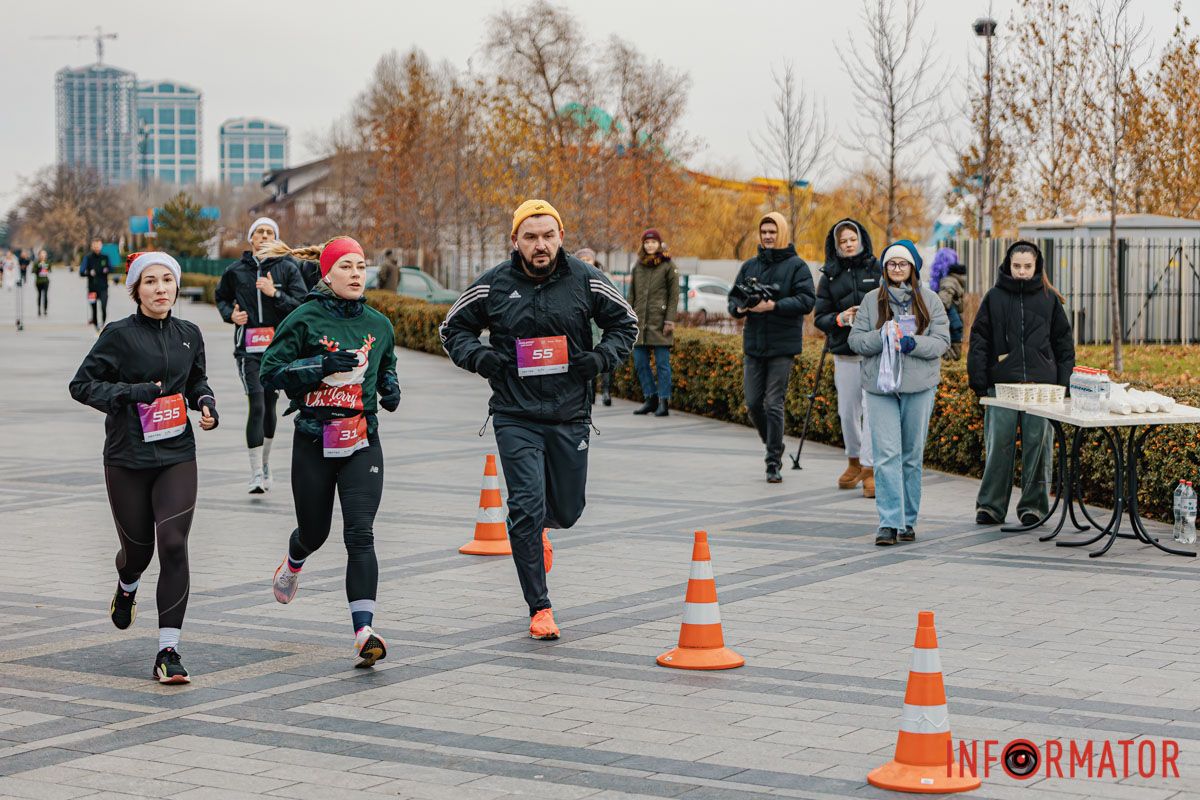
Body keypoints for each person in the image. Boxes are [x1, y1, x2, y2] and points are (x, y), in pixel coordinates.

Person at [440, 200, 637, 640]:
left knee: (567, 511)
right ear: (515, 241)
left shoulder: (586, 280)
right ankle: (540, 607)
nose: (540, 244)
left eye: (548, 235)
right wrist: (482, 358)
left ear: (561, 237)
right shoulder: (494, 284)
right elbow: (451, 329)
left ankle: (541, 530)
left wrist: (600, 358)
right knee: (524, 508)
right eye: (530, 237)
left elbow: (628, 322)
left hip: (570, 414)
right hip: (516, 414)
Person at [69, 252, 219, 684]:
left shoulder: (189, 333)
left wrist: (205, 402)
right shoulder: (117, 335)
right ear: (136, 290)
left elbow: (196, 381)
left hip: (176, 453)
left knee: (173, 544)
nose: (160, 288)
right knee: (139, 552)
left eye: (167, 280)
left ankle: (168, 650)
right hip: (127, 456)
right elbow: (81, 385)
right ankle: (128, 583)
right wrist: (131, 392)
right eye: (150, 281)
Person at [261, 236, 400, 668]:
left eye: (361, 266)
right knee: (315, 532)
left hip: (361, 440)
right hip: (313, 440)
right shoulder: (304, 318)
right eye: (347, 266)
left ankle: (364, 632)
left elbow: (387, 364)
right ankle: (295, 557)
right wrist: (319, 366)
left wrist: (391, 385)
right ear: (327, 273)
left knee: (360, 534)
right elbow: (270, 373)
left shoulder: (380, 324)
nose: (357, 274)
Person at [848, 240, 950, 546]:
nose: (896, 269)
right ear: (884, 268)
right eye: (891, 264)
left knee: (911, 455)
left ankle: (908, 520)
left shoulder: (929, 301)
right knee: (886, 454)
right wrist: (881, 337)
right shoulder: (870, 301)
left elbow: (942, 341)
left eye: (902, 264)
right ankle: (888, 522)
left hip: (918, 386)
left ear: (913, 268)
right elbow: (855, 341)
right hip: (880, 387)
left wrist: (912, 343)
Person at [968, 241, 1074, 526]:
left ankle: (1034, 507)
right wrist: (979, 377)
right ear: (1008, 265)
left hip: (1042, 388)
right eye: (1017, 266)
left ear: (1037, 265)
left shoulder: (1049, 299)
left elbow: (1064, 343)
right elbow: (980, 338)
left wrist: (1064, 384)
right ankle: (990, 506)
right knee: (998, 445)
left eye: (1028, 266)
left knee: (1038, 447)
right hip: (1002, 386)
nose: (1023, 272)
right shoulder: (994, 297)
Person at [215, 217, 308, 493]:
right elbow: (220, 296)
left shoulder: (287, 268)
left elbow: (302, 305)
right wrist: (230, 314)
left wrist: (274, 293)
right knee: (255, 404)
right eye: (259, 232)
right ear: (251, 238)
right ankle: (255, 472)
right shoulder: (235, 270)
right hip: (248, 350)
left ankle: (265, 464)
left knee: (269, 406)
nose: (264, 235)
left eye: (270, 232)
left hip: (277, 351)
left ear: (276, 238)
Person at [727, 212, 816, 483]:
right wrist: (740, 307)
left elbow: (807, 301)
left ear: (783, 233)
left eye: (772, 231)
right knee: (754, 403)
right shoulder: (749, 266)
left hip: (782, 345)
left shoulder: (796, 266)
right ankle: (774, 444)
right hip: (754, 344)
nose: (767, 236)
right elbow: (733, 299)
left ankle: (772, 462)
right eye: (764, 231)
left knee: (773, 403)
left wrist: (774, 305)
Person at [813, 218, 880, 498]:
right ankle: (854, 460)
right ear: (836, 245)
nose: (849, 244)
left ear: (861, 240)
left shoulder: (877, 269)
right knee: (848, 412)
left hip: (875, 352)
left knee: (873, 410)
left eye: (852, 239)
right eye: (843, 241)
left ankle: (871, 468)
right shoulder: (828, 275)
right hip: (844, 352)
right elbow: (820, 317)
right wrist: (839, 319)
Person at [628, 229, 679, 417]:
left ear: (659, 244)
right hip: (640, 322)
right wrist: (629, 317)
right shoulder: (638, 266)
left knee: (662, 364)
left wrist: (670, 320)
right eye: (647, 242)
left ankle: (664, 401)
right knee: (640, 362)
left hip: (661, 322)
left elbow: (674, 295)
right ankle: (650, 398)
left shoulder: (668, 266)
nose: (650, 245)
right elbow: (631, 294)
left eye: (653, 242)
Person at [575, 247, 614, 406]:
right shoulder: (574, 279)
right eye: (582, 260)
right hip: (584, 326)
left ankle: (606, 391)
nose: (585, 263)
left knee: (604, 358)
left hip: (601, 326)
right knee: (587, 359)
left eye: (588, 259)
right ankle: (590, 393)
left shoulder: (603, 277)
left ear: (594, 260)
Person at [930, 248, 967, 361]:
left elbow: (942, 303)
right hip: (953, 325)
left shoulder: (948, 281)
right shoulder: (952, 279)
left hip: (950, 327)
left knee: (950, 359)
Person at [82, 238, 111, 331]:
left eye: (99, 245)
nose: (97, 247)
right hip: (92, 288)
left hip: (103, 287)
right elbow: (81, 272)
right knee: (93, 308)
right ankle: (95, 324)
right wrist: (89, 273)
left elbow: (111, 268)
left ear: (101, 246)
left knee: (103, 306)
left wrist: (107, 270)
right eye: (95, 245)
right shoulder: (88, 258)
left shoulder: (105, 257)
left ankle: (103, 322)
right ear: (92, 246)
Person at [33, 250, 51, 316]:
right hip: (38, 282)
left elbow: (49, 270)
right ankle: (39, 309)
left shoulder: (47, 262)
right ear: (39, 255)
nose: (43, 256)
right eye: (42, 255)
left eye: (44, 255)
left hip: (46, 281)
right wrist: (39, 267)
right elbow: (33, 271)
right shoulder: (36, 263)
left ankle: (45, 310)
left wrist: (46, 268)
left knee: (45, 295)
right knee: (39, 295)